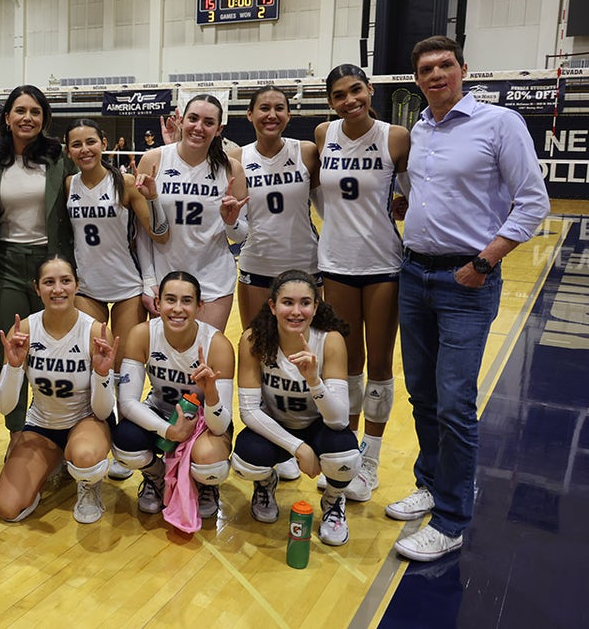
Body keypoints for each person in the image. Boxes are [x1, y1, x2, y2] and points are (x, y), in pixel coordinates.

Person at [390, 36, 549, 561]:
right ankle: (433, 483)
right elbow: (432, 194)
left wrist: (484, 262)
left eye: (445, 65)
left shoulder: (499, 124)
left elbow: (532, 202)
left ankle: (453, 517)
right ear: (416, 79)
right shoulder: (421, 129)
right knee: (423, 395)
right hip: (414, 276)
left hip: (466, 281)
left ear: (463, 69)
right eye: (425, 69)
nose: (436, 75)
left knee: (456, 403)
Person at [313, 64, 410, 501]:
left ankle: (370, 459)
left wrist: (405, 203)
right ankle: (344, 453)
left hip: (382, 263)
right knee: (346, 365)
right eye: (339, 95)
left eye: (356, 90)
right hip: (334, 262)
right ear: (330, 102)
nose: (349, 100)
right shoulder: (322, 135)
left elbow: (413, 192)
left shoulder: (395, 137)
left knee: (379, 364)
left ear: (371, 90)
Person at [231, 270, 361, 547]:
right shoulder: (254, 339)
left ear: (316, 306)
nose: (296, 311)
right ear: (272, 306)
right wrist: (298, 449)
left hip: (320, 426)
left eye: (305, 303)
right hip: (276, 424)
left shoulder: (330, 340)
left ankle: (333, 500)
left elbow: (339, 420)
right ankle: (265, 483)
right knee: (245, 461)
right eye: (287, 302)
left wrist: (314, 380)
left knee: (346, 458)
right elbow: (249, 411)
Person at [0, 255, 117, 524]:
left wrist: (101, 373)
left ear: (76, 285)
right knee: (8, 508)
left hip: (86, 422)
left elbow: (104, 410)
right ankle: (55, 461)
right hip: (42, 425)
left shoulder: (95, 331)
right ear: (37, 288)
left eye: (65, 281)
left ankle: (88, 482)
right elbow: (4, 406)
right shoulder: (25, 328)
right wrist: (14, 367)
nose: (58, 289)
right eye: (49, 282)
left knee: (85, 455)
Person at [0, 85, 75, 436]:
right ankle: (18, 433)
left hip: (49, 265)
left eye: (35, 112)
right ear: (7, 118)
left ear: (44, 119)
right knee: (14, 352)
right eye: (20, 111)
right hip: (5, 264)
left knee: (55, 351)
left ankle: (59, 430)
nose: (27, 117)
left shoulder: (59, 159)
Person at [114, 272, 234, 518]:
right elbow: (126, 403)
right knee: (123, 443)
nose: (178, 309)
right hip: (162, 413)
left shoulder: (218, 344)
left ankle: (205, 483)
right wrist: (169, 431)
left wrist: (210, 394)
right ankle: (157, 475)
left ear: (199, 306)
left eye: (187, 301)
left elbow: (221, 425)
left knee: (211, 463)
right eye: (170, 300)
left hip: (203, 421)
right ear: (158, 304)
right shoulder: (142, 334)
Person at [135, 94, 248, 330]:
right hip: (166, 280)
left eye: (208, 122)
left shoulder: (231, 169)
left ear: (219, 129)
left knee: (207, 361)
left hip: (213, 282)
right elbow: (142, 231)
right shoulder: (154, 160)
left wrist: (231, 222)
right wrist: (149, 280)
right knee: (168, 363)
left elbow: (241, 236)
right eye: (193, 119)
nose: (198, 127)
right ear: (180, 119)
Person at [64, 118, 168, 352]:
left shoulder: (126, 184)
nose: (85, 150)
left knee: (124, 365)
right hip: (86, 287)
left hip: (127, 286)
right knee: (93, 361)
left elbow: (160, 235)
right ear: (68, 151)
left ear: (103, 143)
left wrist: (152, 199)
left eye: (91, 142)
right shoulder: (69, 185)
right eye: (76, 145)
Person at [230, 86, 322, 329]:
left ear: (288, 115)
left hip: (305, 264)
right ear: (250, 114)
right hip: (257, 266)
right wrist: (229, 222)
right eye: (264, 108)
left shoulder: (306, 152)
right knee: (256, 346)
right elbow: (234, 229)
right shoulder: (237, 158)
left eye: (279, 108)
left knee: (307, 348)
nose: (272, 114)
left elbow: (327, 207)